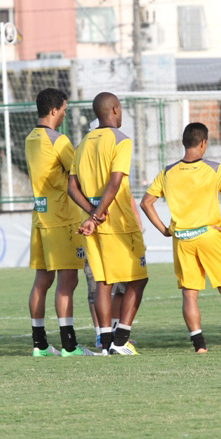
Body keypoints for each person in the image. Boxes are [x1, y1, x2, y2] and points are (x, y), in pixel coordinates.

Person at [141, 123, 221, 353]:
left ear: (184, 143)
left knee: (189, 293)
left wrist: (164, 229)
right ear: (203, 143)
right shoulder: (213, 168)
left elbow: (146, 203)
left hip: (183, 238)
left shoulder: (168, 172)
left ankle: (199, 345)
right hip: (209, 234)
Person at [69, 92, 148, 355]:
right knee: (138, 279)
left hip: (93, 224)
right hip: (119, 222)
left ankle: (104, 343)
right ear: (114, 109)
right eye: (120, 109)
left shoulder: (82, 144)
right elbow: (115, 182)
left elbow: (72, 188)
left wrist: (92, 213)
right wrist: (97, 215)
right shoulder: (121, 140)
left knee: (103, 282)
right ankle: (121, 341)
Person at [25, 88, 95, 357]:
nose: (65, 114)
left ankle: (40, 345)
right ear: (54, 110)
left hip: (40, 217)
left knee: (42, 280)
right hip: (62, 219)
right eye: (64, 109)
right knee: (68, 280)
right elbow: (78, 175)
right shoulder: (59, 140)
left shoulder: (31, 138)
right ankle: (69, 345)